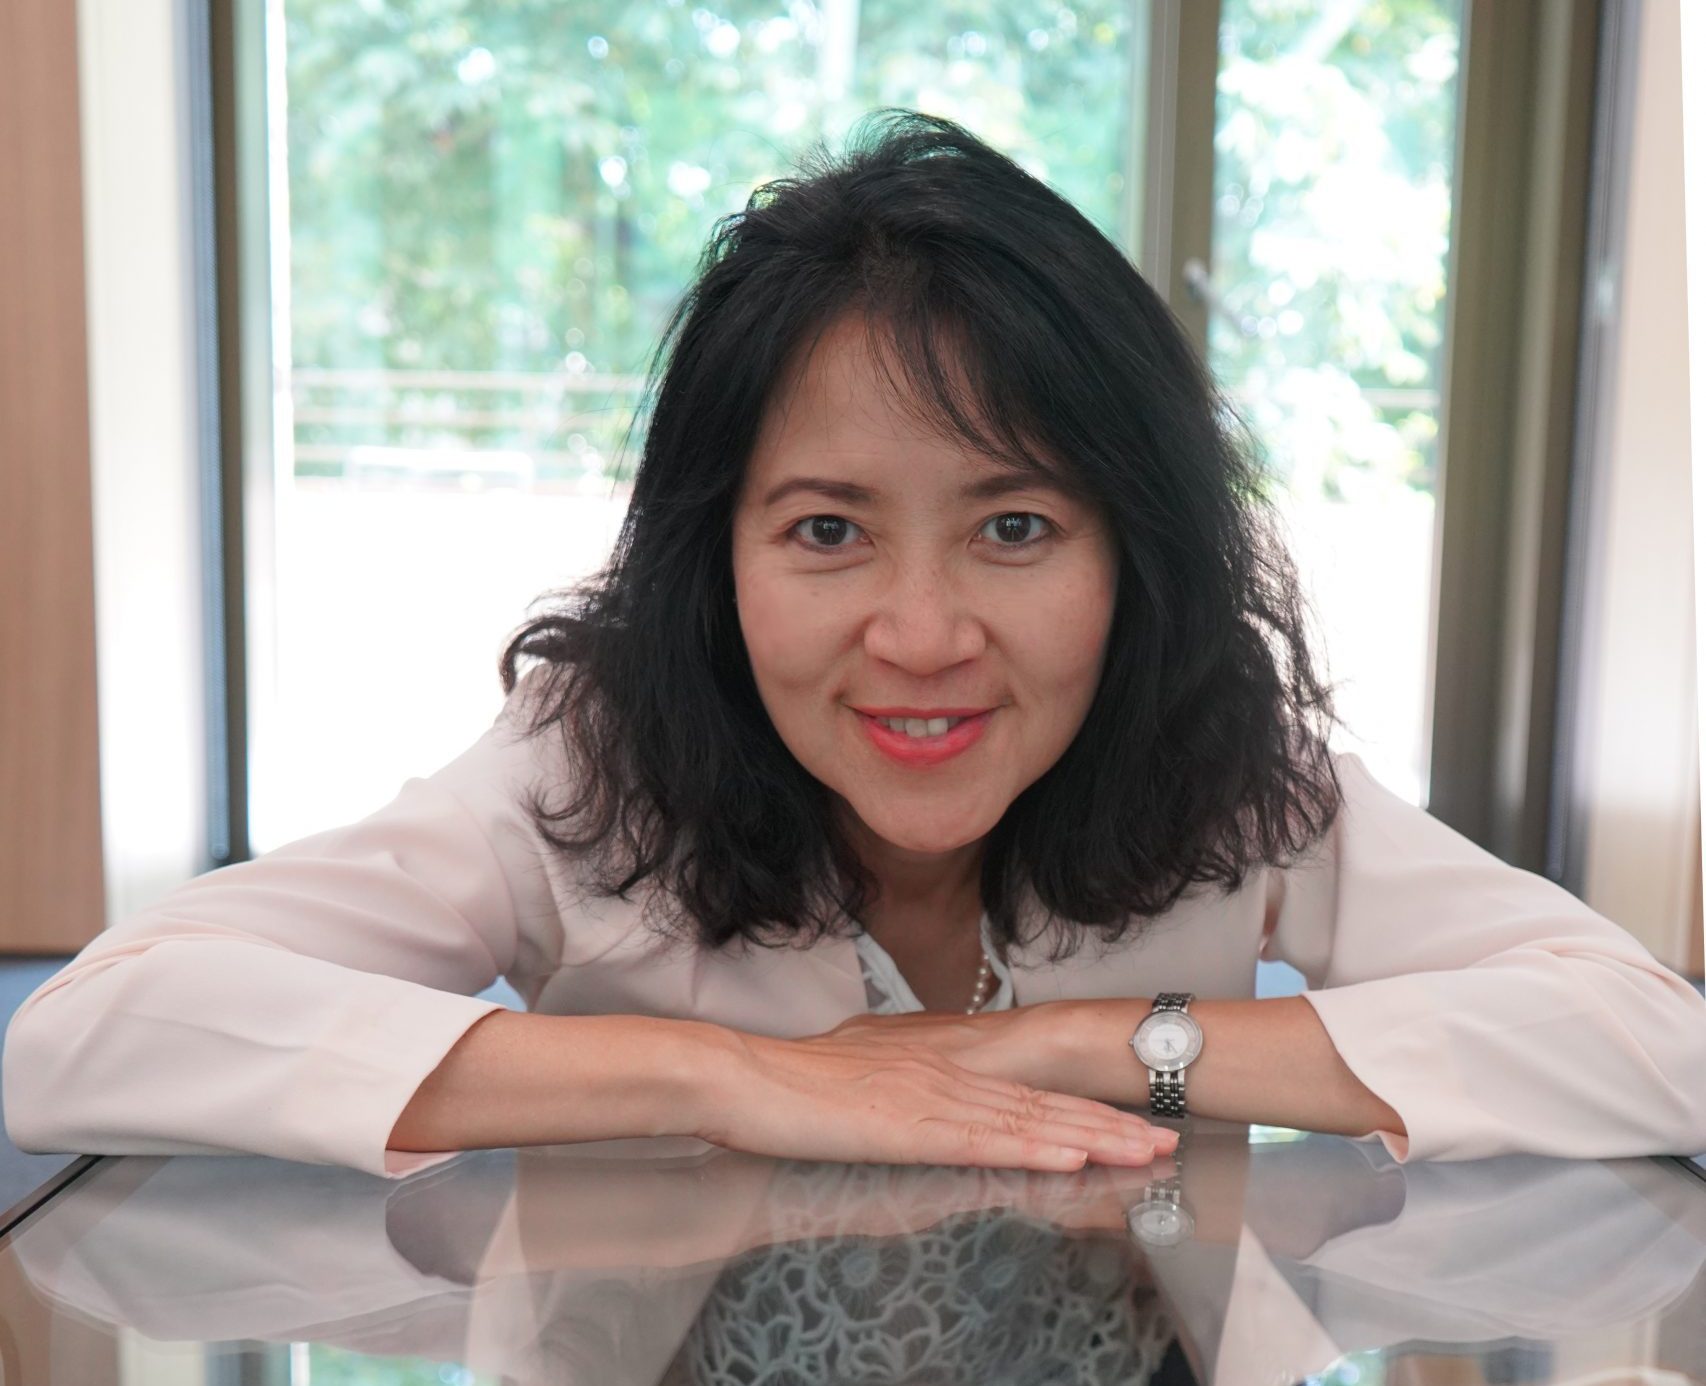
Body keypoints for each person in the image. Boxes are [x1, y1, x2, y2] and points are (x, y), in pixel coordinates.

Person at [6, 110, 1704, 1182]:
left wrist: (1074, 1045)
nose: (920, 634)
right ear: (712, 548)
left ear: (1139, 554)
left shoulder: (1217, 758)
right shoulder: (587, 757)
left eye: (1017, 527)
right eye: (825, 530)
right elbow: (91, 1032)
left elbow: (1649, 1045)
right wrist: (740, 1079)